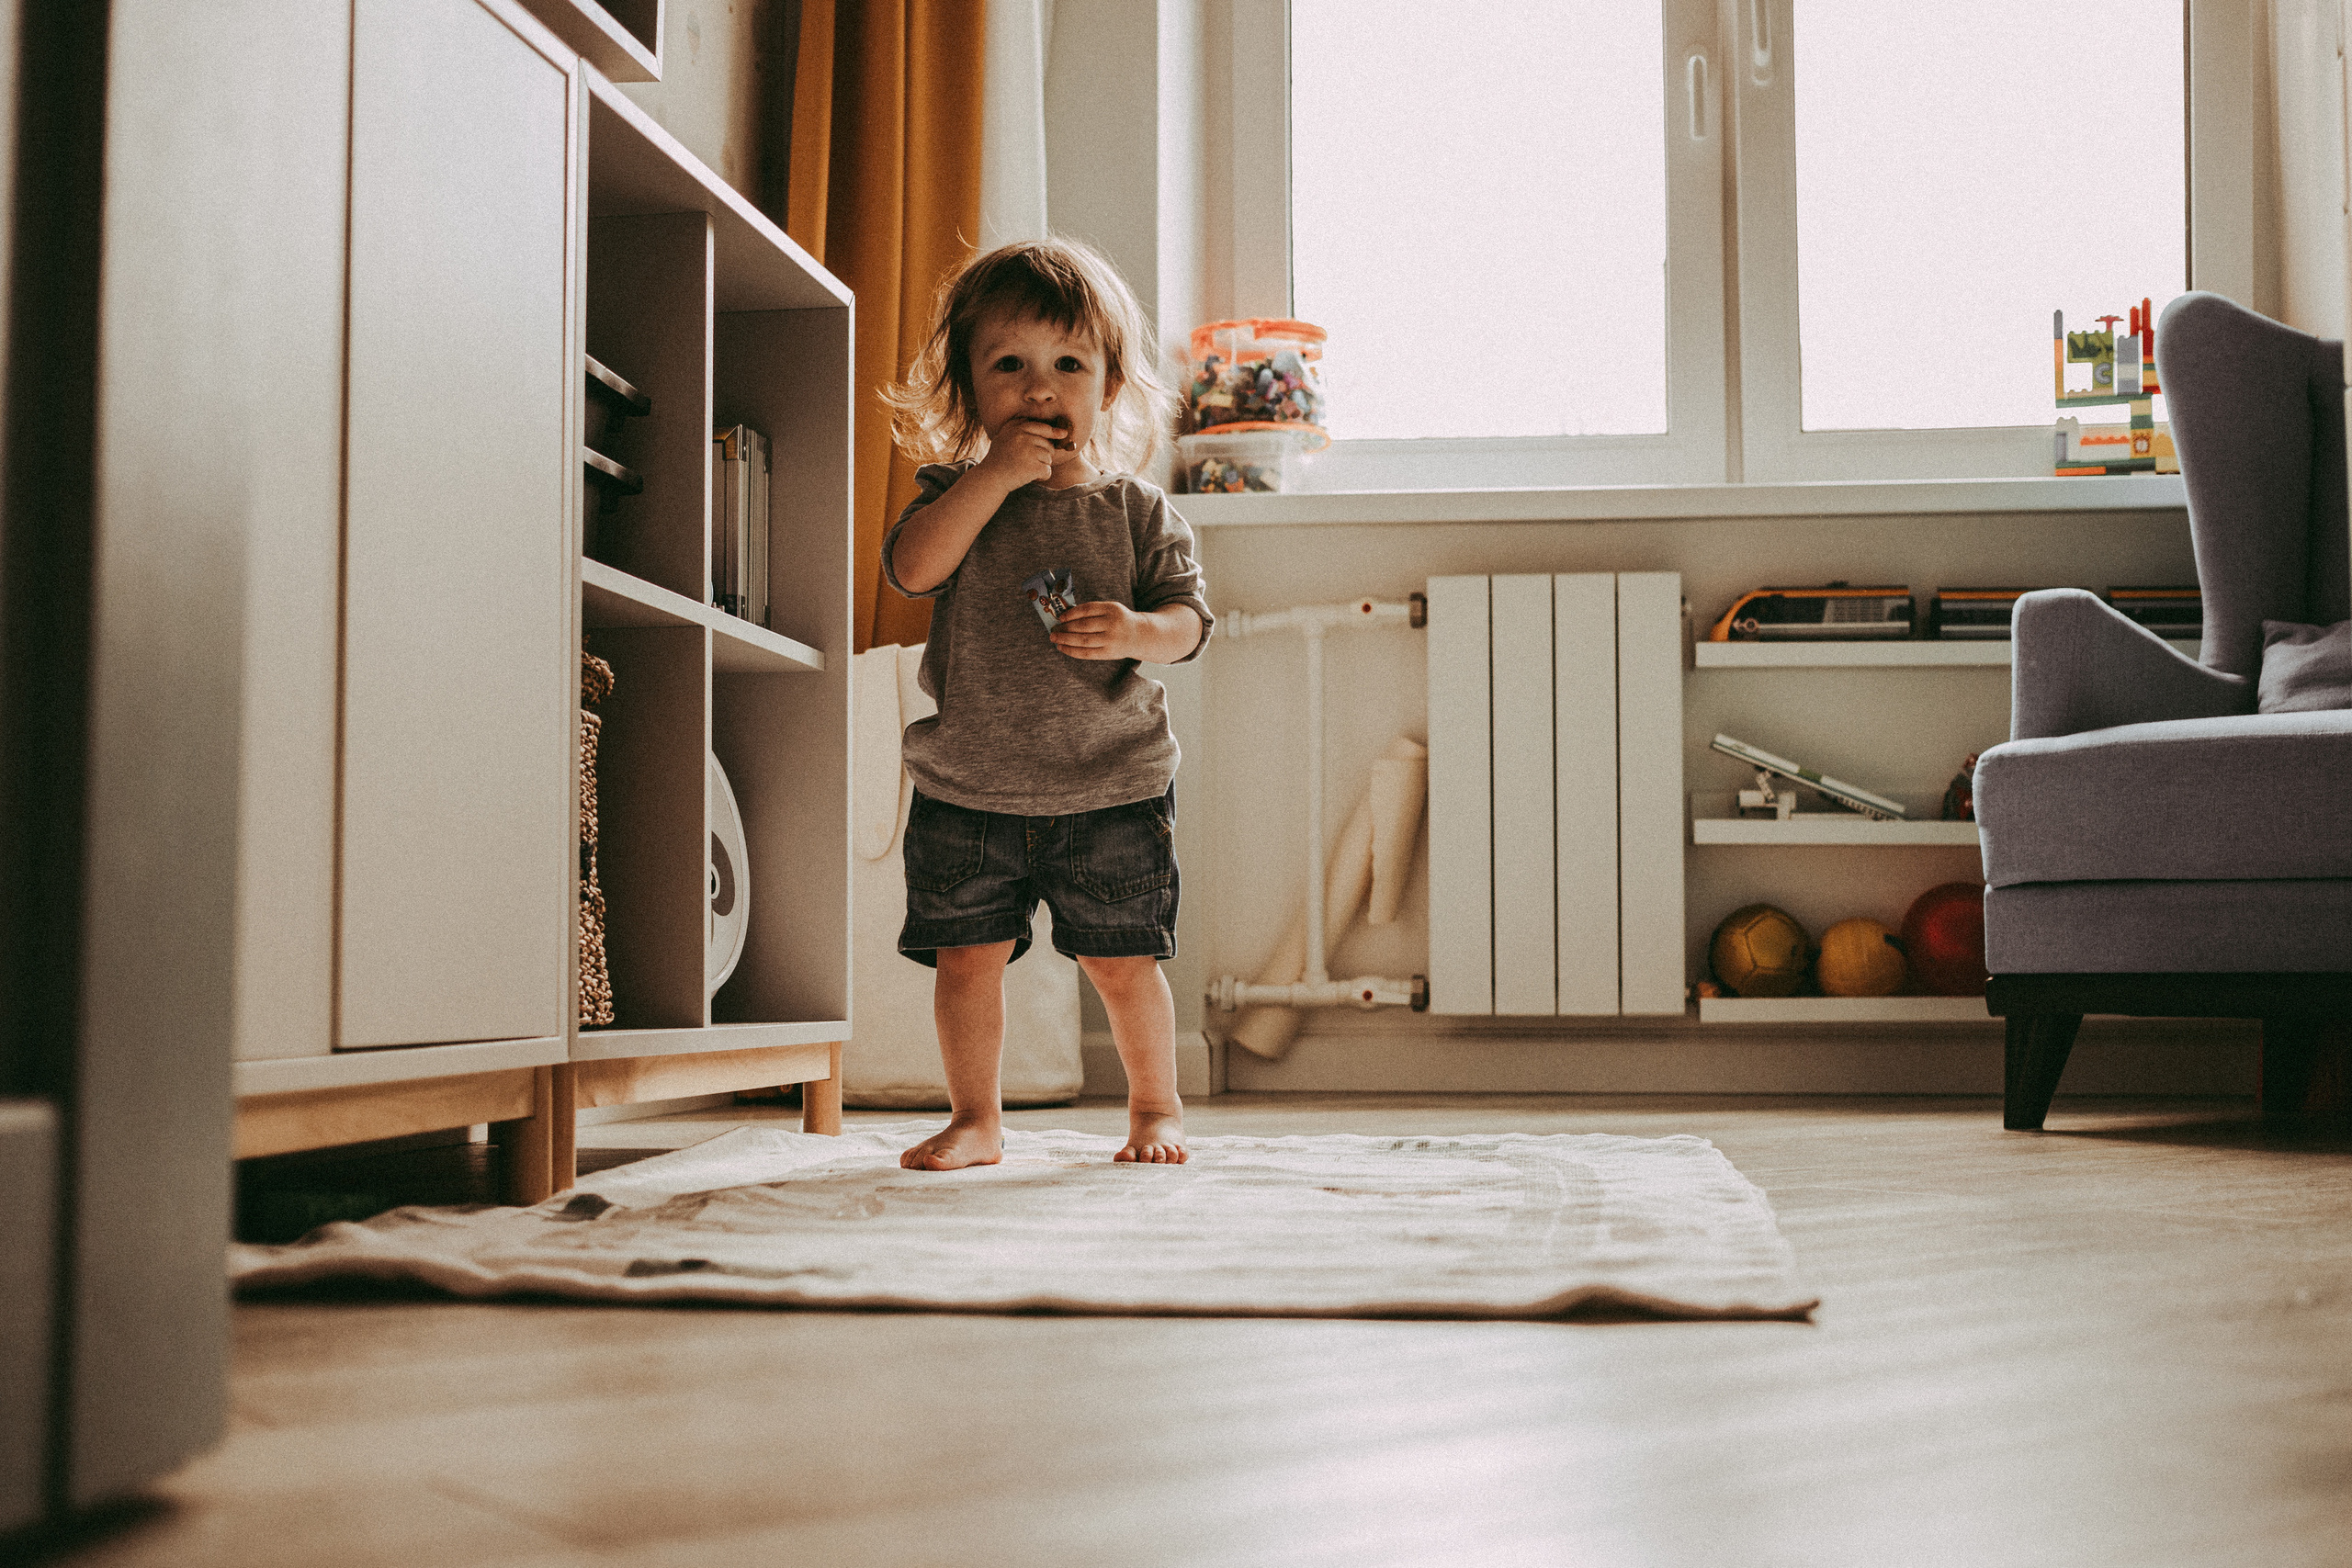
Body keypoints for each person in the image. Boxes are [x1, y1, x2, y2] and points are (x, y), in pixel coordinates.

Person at [877, 239, 1213, 1172]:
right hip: (969, 785)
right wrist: (992, 476)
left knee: (1122, 961)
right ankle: (976, 1118)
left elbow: (1189, 622)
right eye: (1009, 366)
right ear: (969, 388)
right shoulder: (955, 494)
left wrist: (1137, 631)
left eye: (1068, 364)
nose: (1039, 388)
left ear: (1108, 387)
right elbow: (913, 569)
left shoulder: (1135, 510)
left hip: (1110, 783)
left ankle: (1155, 1107)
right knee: (966, 961)